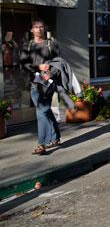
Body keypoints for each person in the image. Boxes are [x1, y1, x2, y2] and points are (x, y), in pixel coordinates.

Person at [19, 19, 61, 155]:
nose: (39, 29)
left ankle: (42, 143)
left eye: (41, 27)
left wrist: (50, 73)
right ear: (31, 30)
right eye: (36, 27)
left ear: (44, 29)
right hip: (34, 84)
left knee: (41, 112)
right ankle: (55, 136)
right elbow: (23, 65)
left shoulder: (52, 44)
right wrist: (38, 67)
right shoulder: (27, 46)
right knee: (44, 110)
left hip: (48, 84)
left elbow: (59, 63)